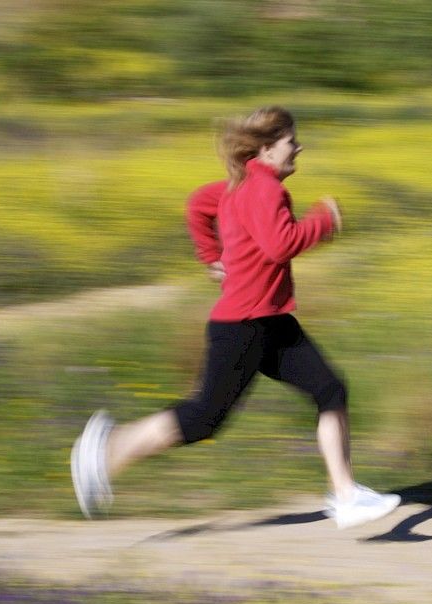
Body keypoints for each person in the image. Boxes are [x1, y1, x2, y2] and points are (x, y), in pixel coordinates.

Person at [71, 105, 400, 530]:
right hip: (244, 327)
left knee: (330, 389)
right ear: (266, 149)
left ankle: (346, 495)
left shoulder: (238, 185)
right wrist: (324, 221)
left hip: (270, 321)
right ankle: (107, 446)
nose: (298, 147)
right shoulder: (265, 190)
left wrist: (213, 258)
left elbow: (196, 206)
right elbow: (280, 245)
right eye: (290, 141)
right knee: (202, 419)